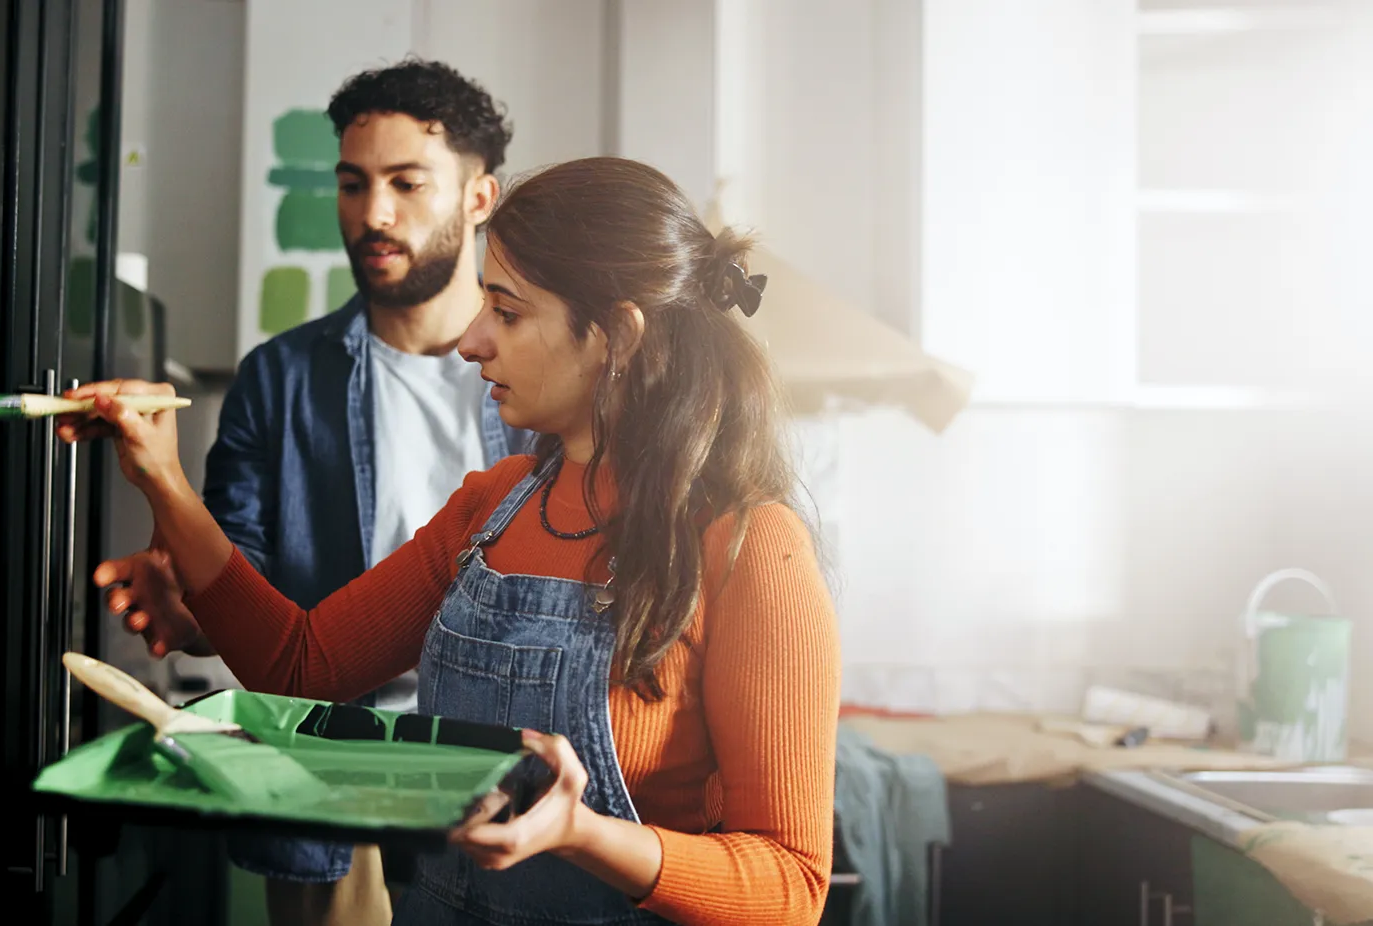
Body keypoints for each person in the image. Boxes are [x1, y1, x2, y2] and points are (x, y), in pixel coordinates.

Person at [61, 157, 840, 925]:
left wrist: (584, 835)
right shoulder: (489, 508)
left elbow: (791, 884)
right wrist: (161, 478)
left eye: (507, 312)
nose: (471, 343)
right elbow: (301, 666)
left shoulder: (750, 549)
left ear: (617, 337)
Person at [102, 59, 527, 925]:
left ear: (479, 198)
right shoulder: (279, 379)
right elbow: (239, 580)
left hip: (498, 772)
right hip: (324, 776)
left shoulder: (534, 382)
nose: (373, 214)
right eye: (352, 183)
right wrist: (184, 602)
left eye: (408, 184)